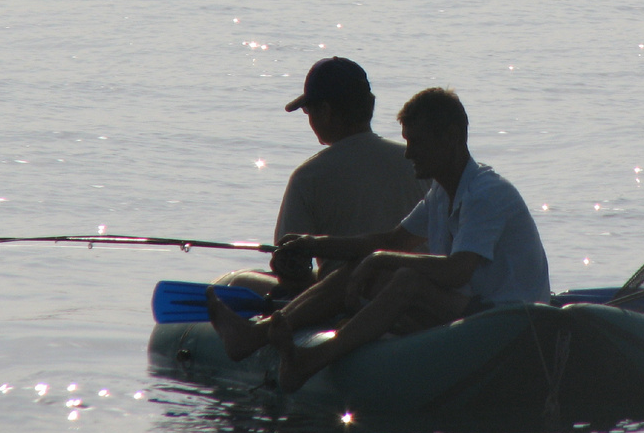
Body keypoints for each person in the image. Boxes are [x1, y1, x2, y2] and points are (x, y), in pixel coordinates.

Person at [207, 87, 551, 392]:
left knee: (404, 279)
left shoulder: (486, 193)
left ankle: (309, 361)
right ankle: (256, 335)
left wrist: (382, 259)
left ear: (451, 137)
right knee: (369, 266)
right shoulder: (441, 193)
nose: (408, 153)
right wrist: (313, 244)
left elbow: (457, 271)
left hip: (508, 318)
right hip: (470, 308)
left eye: (416, 142)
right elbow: (390, 239)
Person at [230, 57, 429, 296]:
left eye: (307, 111)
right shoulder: (419, 164)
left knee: (238, 281)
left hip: (346, 299)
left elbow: (290, 273)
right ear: (370, 105)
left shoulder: (308, 177)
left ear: (325, 111)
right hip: (418, 294)